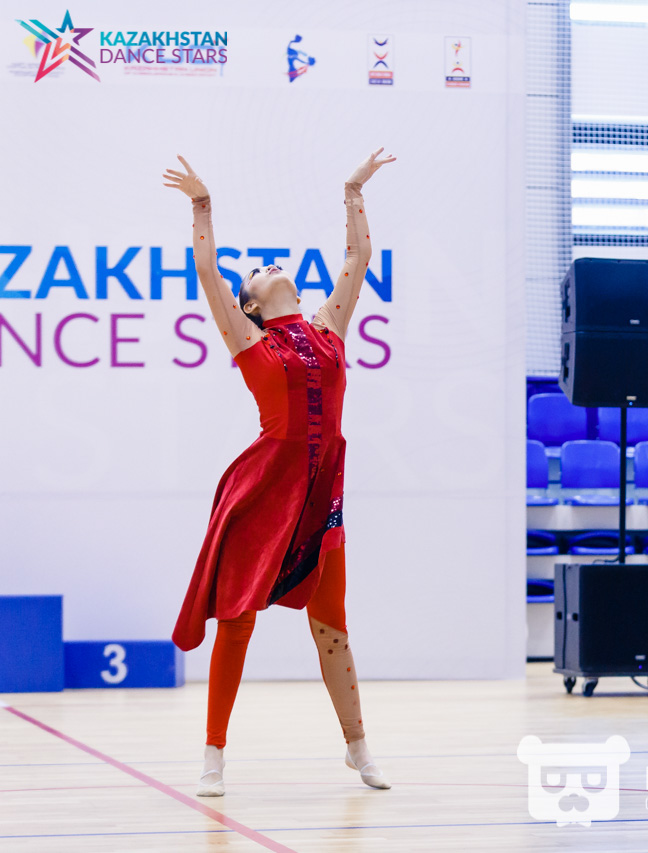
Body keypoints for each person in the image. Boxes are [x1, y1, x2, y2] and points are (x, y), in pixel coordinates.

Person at [163, 148, 396, 796]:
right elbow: (207, 271)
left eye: (269, 264)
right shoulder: (250, 341)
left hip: (321, 497)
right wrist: (202, 204)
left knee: (331, 626)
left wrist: (352, 190)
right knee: (238, 620)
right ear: (251, 306)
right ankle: (213, 755)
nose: (266, 266)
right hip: (267, 495)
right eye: (256, 272)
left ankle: (358, 747)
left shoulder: (328, 328)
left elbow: (358, 259)